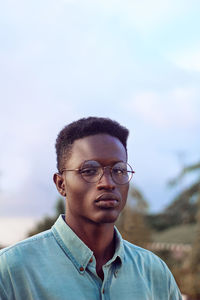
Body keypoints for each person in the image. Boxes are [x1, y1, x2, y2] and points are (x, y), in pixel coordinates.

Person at [0, 117, 182, 300]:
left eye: (119, 170)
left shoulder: (155, 273)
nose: (108, 183)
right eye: (89, 170)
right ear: (61, 184)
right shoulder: (11, 270)